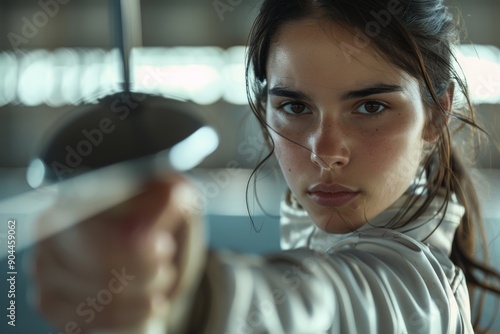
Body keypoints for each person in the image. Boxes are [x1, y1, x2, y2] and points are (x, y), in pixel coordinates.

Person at [34, 0, 500, 333]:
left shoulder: (415, 289)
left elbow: (325, 304)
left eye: (371, 107)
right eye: (296, 108)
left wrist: (188, 300)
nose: (324, 151)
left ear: (436, 116)